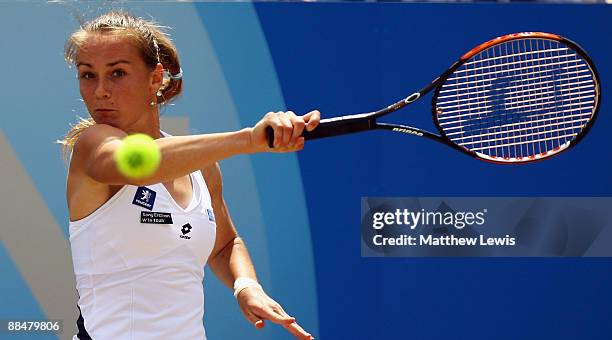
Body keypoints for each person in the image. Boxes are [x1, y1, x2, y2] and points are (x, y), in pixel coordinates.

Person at [59, 10, 319, 340]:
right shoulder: (92, 146)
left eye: (117, 73)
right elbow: (138, 163)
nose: (99, 91)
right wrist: (248, 139)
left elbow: (225, 244)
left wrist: (245, 285)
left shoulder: (199, 166)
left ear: (155, 78)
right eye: (87, 75)